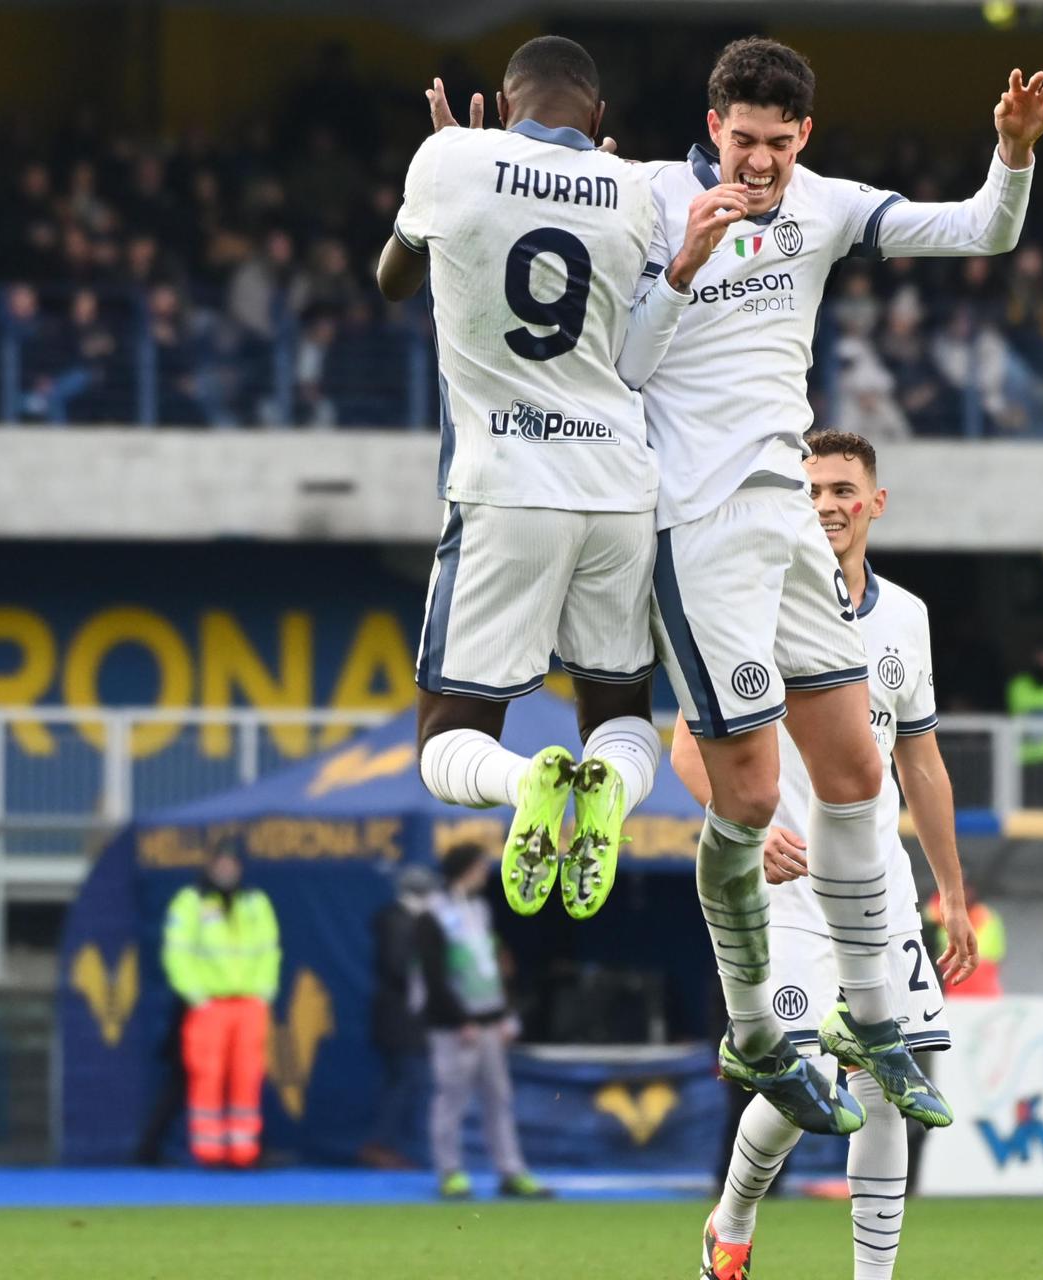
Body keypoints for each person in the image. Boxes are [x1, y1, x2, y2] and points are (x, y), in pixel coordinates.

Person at [633, 36, 1043, 1146]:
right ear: (713, 122)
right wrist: (679, 268)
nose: (762, 160)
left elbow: (982, 228)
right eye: (744, 139)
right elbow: (623, 365)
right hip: (699, 525)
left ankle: (875, 1020)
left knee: (861, 770)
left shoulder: (824, 205)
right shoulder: (651, 201)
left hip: (785, 532)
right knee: (746, 797)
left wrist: (1010, 155)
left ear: (804, 135)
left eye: (780, 141)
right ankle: (751, 1024)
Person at [378, 37, 746, 924]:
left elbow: (392, 282)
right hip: (619, 488)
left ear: (504, 109)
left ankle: (528, 781)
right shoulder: (631, 193)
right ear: (599, 119)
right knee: (619, 710)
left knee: (445, 739)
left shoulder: (448, 160)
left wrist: (453, 161)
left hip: (507, 485)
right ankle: (605, 789)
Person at [672, 431, 979, 1280]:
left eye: (844, 488)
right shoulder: (754, 607)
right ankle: (730, 1222)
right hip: (791, 893)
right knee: (803, 1078)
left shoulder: (906, 618)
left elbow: (920, 761)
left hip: (880, 889)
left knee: (886, 1081)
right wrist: (749, 826)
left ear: (875, 503)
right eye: (811, 491)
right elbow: (688, 749)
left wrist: (951, 891)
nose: (828, 504)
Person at [418, 844, 549, 1200]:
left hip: (488, 1021)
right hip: (455, 1026)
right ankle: (450, 1171)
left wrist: (504, 1014)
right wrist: (458, 1018)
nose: (485, 873)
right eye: (479, 867)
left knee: (499, 1098)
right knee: (451, 1099)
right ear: (465, 869)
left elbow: (490, 967)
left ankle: (511, 1170)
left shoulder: (479, 908)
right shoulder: (433, 913)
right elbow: (433, 974)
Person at [161, 848, 281, 1168]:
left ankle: (244, 1151)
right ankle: (208, 1151)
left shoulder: (255, 902)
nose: (227, 870)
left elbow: (269, 950)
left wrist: (263, 993)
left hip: (249, 1002)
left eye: (232, 864)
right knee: (207, 1073)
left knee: (248, 1074)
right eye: (221, 864)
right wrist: (195, 995)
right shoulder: (192, 901)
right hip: (209, 1004)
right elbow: (177, 951)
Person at [361, 862, 437, 1170]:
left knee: (404, 1082)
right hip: (401, 1019)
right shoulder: (399, 922)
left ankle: (387, 1144)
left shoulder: (405, 921)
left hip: (405, 1018)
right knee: (405, 1081)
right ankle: (380, 1144)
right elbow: (400, 968)